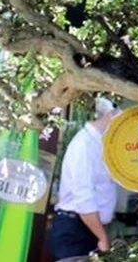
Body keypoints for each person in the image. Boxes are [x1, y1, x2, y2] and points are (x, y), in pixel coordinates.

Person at [48, 97, 121, 260]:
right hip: (76, 230)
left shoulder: (101, 143)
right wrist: (102, 238)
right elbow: (84, 200)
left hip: (89, 228)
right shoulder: (84, 145)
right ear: (110, 113)